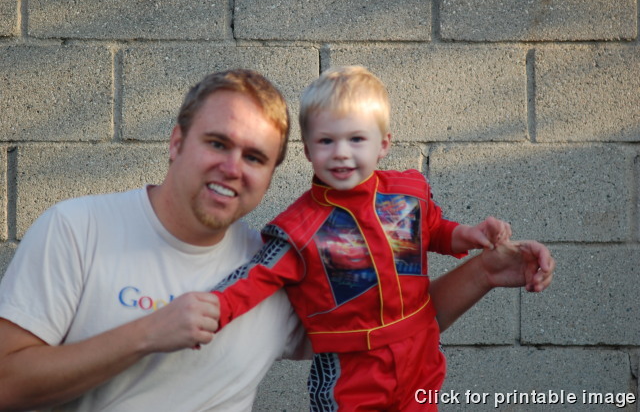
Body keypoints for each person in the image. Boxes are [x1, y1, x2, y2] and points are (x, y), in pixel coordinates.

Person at [0, 68, 554, 412]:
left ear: (272, 174)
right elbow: (6, 385)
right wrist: (146, 333)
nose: (232, 167)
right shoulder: (78, 228)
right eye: (217, 143)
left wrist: (483, 270)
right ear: (175, 142)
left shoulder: (287, 261)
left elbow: (386, 327)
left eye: (255, 156)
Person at [210, 66, 543, 411]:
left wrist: (468, 235)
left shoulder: (406, 194)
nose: (341, 152)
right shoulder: (299, 229)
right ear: (307, 150)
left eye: (356, 139)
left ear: (383, 144)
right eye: (326, 141)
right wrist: (211, 309)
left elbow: (432, 230)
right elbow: (255, 277)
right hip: (352, 373)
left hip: (421, 355)